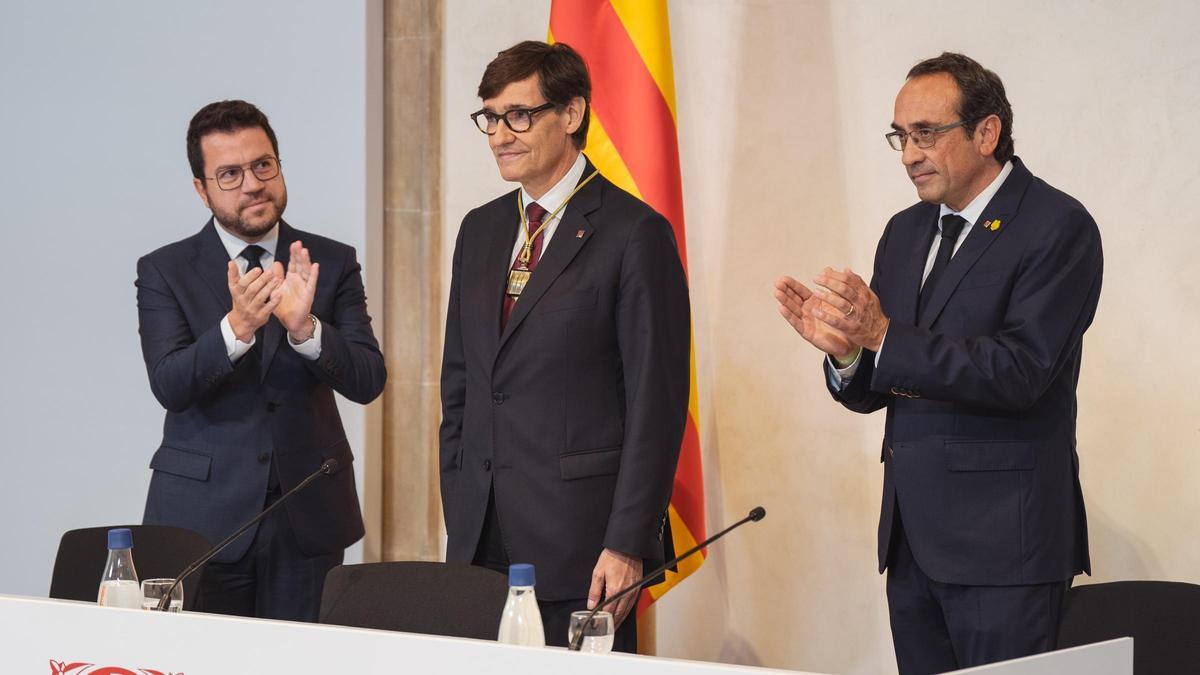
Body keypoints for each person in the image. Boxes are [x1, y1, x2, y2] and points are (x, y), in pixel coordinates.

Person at [774, 53, 1102, 673]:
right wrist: (847, 353)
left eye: (926, 133)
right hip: (912, 544)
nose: (908, 154)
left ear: (987, 133)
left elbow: (1021, 370)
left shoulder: (1057, 227)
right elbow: (883, 377)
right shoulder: (905, 231)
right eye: (901, 136)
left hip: (1005, 550)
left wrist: (883, 334)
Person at [439, 40, 690, 651]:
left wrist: (629, 542)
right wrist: (459, 495)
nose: (500, 134)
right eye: (490, 118)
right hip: (480, 538)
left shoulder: (635, 234)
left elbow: (656, 406)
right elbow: (462, 383)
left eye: (518, 115)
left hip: (583, 546)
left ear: (572, 113)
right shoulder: (480, 229)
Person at [136, 100, 386, 621]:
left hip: (307, 514)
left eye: (262, 165)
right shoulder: (165, 270)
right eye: (229, 174)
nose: (252, 184)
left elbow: (367, 379)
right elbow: (170, 384)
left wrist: (305, 328)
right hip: (202, 519)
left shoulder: (331, 260)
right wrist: (237, 329)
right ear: (201, 190)